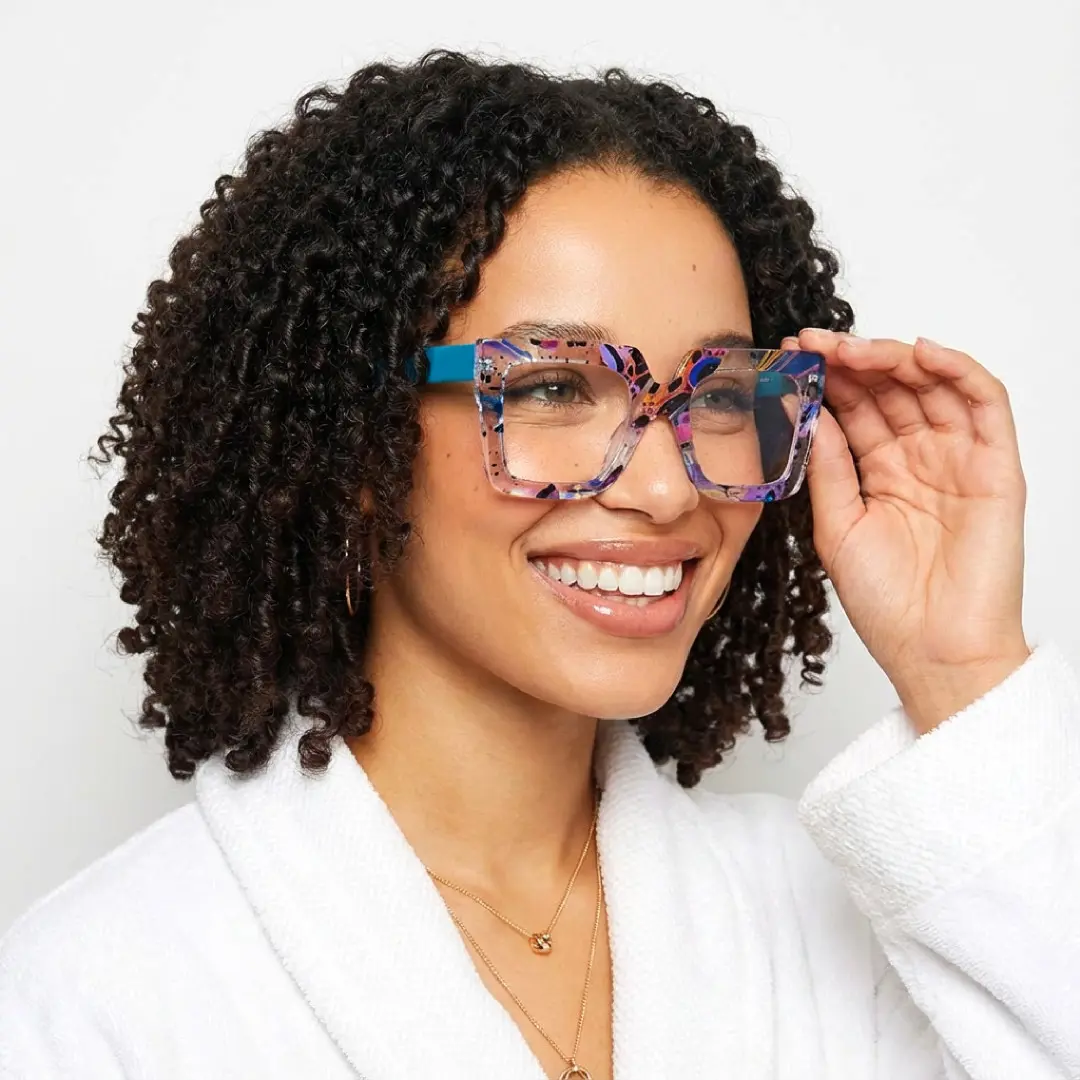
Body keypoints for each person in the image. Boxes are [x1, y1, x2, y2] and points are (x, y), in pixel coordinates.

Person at [1, 49, 1077, 1080]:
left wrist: (962, 669)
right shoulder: (97, 997)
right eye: (554, 388)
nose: (666, 490)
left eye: (718, 392)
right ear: (357, 437)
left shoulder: (853, 921)